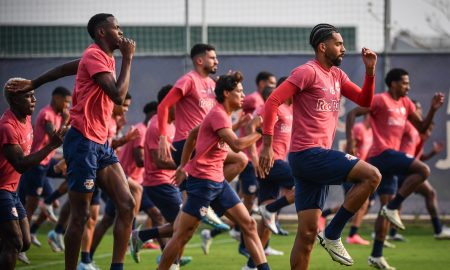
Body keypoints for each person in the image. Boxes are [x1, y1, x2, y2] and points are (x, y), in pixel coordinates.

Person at [259, 23, 381, 269]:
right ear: (322, 47)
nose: (343, 49)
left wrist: (370, 72)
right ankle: (334, 232)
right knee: (372, 176)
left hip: (311, 161)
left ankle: (328, 232)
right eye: (339, 44)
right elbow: (272, 101)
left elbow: (364, 101)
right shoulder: (307, 72)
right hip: (308, 154)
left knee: (306, 235)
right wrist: (267, 145)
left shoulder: (337, 75)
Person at [157, 72, 270, 270]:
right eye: (239, 91)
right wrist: (262, 132)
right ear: (226, 93)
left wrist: (183, 166)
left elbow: (193, 134)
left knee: (249, 225)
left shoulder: (221, 114)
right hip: (203, 183)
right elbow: (236, 144)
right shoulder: (218, 114)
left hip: (217, 181)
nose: (243, 96)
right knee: (183, 233)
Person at [346, 68, 444, 269]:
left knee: (384, 210)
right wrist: (350, 143)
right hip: (381, 154)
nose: (408, 86)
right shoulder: (380, 100)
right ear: (393, 84)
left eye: (408, 83)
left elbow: (423, 129)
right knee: (423, 170)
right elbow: (353, 113)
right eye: (404, 83)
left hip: (390, 160)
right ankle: (393, 208)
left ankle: (376, 255)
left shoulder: (406, 104)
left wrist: (433, 109)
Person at [63, 13, 136, 270]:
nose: (121, 31)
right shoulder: (95, 54)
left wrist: (36, 81)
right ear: (101, 32)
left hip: (101, 144)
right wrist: (128, 57)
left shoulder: (103, 58)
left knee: (127, 205)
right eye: (116, 27)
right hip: (83, 141)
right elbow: (118, 95)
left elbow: (64, 68)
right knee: (81, 216)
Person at [0, 79, 66, 269]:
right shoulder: (7, 127)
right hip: (2, 189)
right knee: (14, 242)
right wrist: (52, 145)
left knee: (25, 243)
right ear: (14, 99)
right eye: (28, 96)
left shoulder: (26, 119)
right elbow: (20, 164)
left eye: (33, 95)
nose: (34, 100)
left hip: (12, 190)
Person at [389, 100, 450, 241]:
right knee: (429, 193)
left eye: (420, 109)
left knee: (397, 201)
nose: (419, 112)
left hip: (406, 168)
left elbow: (417, 156)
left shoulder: (415, 131)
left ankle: (390, 234)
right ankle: (438, 230)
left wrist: (432, 154)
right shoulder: (406, 126)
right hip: (403, 169)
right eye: (417, 109)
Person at [18, 86, 71, 244]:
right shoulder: (47, 114)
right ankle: (21, 242)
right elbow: (54, 138)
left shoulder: (58, 115)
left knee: (71, 175)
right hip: (36, 164)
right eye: (66, 102)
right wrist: (67, 121)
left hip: (46, 162)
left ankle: (32, 231)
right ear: (56, 98)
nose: (67, 106)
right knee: (31, 205)